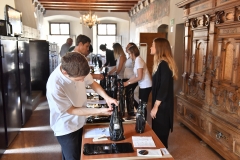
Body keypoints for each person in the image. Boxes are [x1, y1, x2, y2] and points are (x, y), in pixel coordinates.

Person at [46, 52, 118, 160]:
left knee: (81, 155)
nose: (82, 81)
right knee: (72, 157)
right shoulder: (55, 85)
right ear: (65, 72)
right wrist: (100, 111)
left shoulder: (79, 67)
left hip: (80, 121)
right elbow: (71, 110)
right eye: (78, 79)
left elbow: (92, 83)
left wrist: (107, 97)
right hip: (66, 126)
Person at [150, 38, 178, 149]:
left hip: (163, 106)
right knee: (157, 135)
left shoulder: (164, 65)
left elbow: (164, 88)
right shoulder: (160, 63)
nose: (151, 47)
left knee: (161, 137)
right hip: (161, 104)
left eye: (152, 45)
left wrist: (156, 106)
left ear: (159, 48)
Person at [123, 45, 152, 120]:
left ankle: (143, 121)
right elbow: (135, 75)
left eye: (129, 53)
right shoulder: (136, 60)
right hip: (143, 85)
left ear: (133, 53)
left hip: (146, 85)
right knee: (141, 104)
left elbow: (139, 77)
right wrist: (127, 82)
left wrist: (128, 83)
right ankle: (141, 119)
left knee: (142, 105)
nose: (129, 55)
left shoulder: (138, 60)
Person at [123, 42, 139, 116]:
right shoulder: (129, 57)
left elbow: (136, 72)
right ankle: (130, 111)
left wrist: (129, 82)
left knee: (132, 97)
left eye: (128, 47)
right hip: (129, 78)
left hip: (132, 79)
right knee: (129, 96)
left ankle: (134, 112)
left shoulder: (136, 59)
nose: (126, 48)